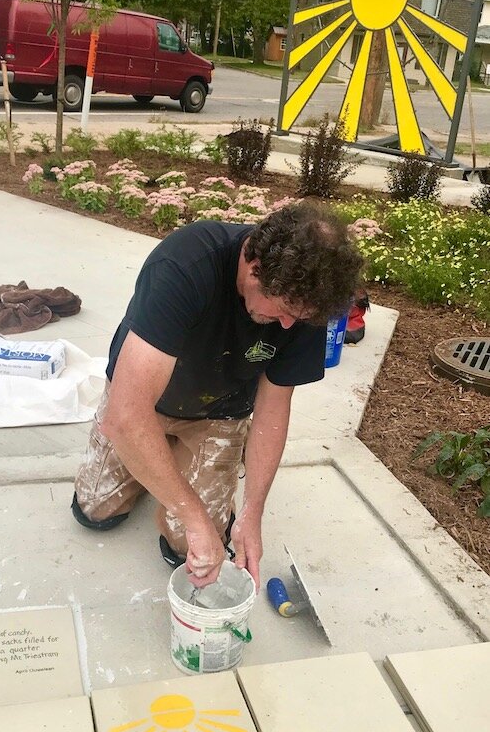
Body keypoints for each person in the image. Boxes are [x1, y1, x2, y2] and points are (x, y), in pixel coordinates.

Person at [72, 203, 364, 591]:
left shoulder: (306, 300)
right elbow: (126, 414)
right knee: (95, 510)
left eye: (301, 316)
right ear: (253, 263)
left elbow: (273, 411)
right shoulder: (185, 265)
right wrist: (193, 515)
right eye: (284, 311)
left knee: (188, 551)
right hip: (146, 404)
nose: (290, 325)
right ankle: (154, 463)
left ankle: (165, 467)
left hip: (221, 409)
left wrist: (252, 513)